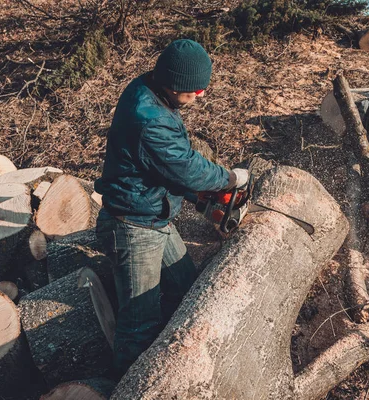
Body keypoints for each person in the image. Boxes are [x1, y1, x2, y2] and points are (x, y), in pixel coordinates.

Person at [94, 39, 248, 376]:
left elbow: (161, 166)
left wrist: (198, 199)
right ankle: (128, 386)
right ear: (174, 82)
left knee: (185, 290)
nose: (200, 95)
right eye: (195, 88)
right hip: (134, 227)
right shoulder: (148, 118)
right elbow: (185, 167)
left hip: (154, 216)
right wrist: (229, 178)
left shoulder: (152, 92)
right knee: (138, 325)